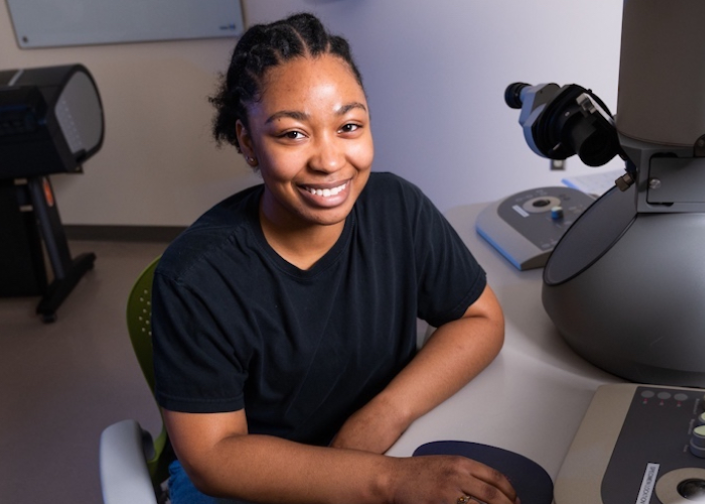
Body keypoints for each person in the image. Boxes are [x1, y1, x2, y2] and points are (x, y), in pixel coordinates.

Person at [150, 12, 518, 504]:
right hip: (252, 479)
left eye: (348, 126)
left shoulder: (397, 208)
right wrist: (389, 480)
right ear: (247, 141)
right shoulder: (195, 278)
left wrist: (381, 417)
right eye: (292, 134)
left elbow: (480, 318)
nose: (329, 161)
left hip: (377, 451)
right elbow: (214, 458)